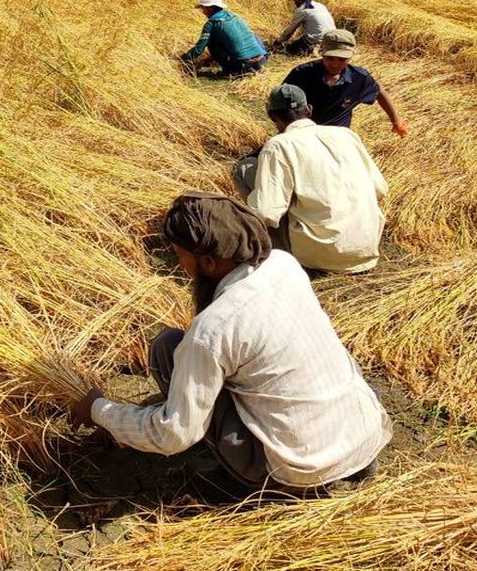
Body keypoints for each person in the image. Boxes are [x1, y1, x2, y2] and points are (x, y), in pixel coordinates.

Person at [69, 192, 391, 493]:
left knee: (167, 349)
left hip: (301, 467)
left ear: (208, 262)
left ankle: (241, 484)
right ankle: (346, 460)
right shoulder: (284, 264)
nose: (181, 265)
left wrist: (100, 410)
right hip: (363, 432)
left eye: (181, 256)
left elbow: (173, 433)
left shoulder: (213, 329)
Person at [243, 85, 389, 274]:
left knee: (246, 169)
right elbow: (380, 189)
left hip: (320, 255)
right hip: (366, 247)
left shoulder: (278, 145)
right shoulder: (346, 135)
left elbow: (266, 212)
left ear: (271, 116)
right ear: (309, 109)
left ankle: (277, 251)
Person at [282, 29, 408, 134]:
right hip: (304, 134)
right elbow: (281, 101)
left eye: (342, 59)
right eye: (330, 58)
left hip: (338, 136)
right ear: (322, 53)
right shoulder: (301, 74)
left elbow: (379, 92)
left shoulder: (359, 78)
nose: (334, 64)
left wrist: (396, 121)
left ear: (350, 56)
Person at [181, 0, 268, 79]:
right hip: (262, 61)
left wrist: (183, 59)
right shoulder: (235, 16)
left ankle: (231, 71)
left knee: (211, 41)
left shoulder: (211, 24)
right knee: (251, 34)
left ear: (209, 8)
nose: (203, 12)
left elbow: (198, 50)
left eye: (203, 9)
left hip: (244, 66)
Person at [270, 0, 336, 57]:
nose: (295, 3)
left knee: (290, 50)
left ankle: (314, 48)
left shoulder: (302, 10)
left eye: (295, 0)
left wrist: (279, 41)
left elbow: (291, 29)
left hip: (316, 39)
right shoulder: (320, 5)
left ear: (300, 0)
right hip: (332, 36)